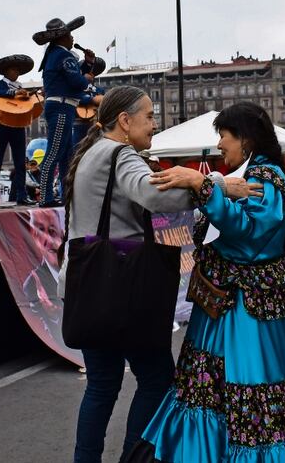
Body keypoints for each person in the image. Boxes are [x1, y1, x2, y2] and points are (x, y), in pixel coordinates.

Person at [131, 101, 285, 463]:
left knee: (255, 390)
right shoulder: (253, 176)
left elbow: (249, 238)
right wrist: (211, 189)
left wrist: (202, 185)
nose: (219, 145)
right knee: (220, 392)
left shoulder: (267, 179)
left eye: (224, 136)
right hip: (229, 307)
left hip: (250, 311)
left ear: (245, 139)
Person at [63, 87, 260, 462]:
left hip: (89, 283)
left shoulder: (91, 152)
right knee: (156, 379)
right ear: (125, 121)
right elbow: (153, 194)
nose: (155, 125)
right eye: (150, 116)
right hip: (122, 287)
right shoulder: (121, 154)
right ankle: (132, 459)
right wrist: (216, 185)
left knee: (102, 385)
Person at [33, 17, 94, 207]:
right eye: (69, 34)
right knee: (54, 153)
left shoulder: (55, 55)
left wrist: (87, 64)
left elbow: (70, 76)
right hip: (62, 107)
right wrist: (87, 78)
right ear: (62, 37)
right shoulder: (63, 55)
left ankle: (64, 194)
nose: (72, 38)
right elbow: (76, 82)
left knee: (66, 155)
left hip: (62, 106)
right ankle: (46, 197)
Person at [0, 54, 36, 206]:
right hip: (0, 126)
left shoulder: (22, 89)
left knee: (20, 163)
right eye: (14, 69)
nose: (17, 72)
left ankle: (22, 196)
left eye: (18, 70)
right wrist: (13, 93)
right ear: (6, 71)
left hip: (18, 127)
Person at [73, 56, 107, 147]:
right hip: (78, 123)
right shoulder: (75, 88)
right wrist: (92, 99)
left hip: (95, 124)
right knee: (76, 149)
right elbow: (75, 97)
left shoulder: (99, 90)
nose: (91, 74)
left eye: (93, 73)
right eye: (88, 72)